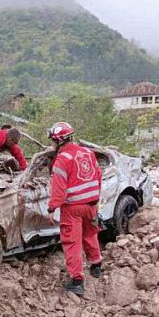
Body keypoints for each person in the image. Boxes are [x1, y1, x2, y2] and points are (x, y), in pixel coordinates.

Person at [47, 122, 102, 295]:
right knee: (91, 234)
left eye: (53, 141)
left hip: (72, 209)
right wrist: (96, 200)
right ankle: (96, 264)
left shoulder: (62, 160)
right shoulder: (88, 153)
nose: (52, 145)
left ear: (60, 141)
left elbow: (59, 189)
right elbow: (98, 176)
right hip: (91, 204)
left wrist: (51, 208)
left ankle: (77, 280)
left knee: (72, 243)